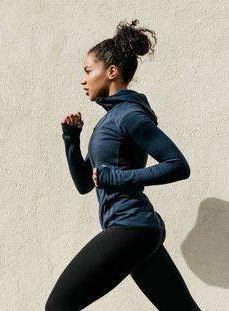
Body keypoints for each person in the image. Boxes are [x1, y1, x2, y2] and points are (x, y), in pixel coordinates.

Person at [45, 19, 202, 311]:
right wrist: (71, 140)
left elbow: (178, 165)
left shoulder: (129, 116)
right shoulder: (107, 122)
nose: (83, 79)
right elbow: (84, 184)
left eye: (88, 71)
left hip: (130, 227)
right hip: (138, 231)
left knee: (59, 305)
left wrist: (117, 178)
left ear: (112, 72)